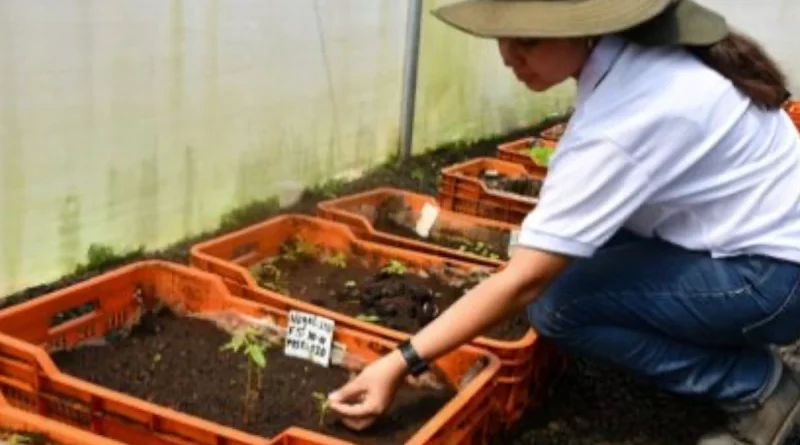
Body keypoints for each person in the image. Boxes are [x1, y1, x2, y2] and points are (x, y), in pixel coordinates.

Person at [327, 0, 800, 444]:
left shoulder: (627, 119)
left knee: (557, 306)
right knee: (577, 256)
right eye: (503, 39)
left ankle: (758, 388)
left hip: (772, 281)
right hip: (759, 246)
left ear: (584, 29)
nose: (510, 57)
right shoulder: (641, 57)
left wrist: (399, 362)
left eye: (528, 41)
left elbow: (526, 283)